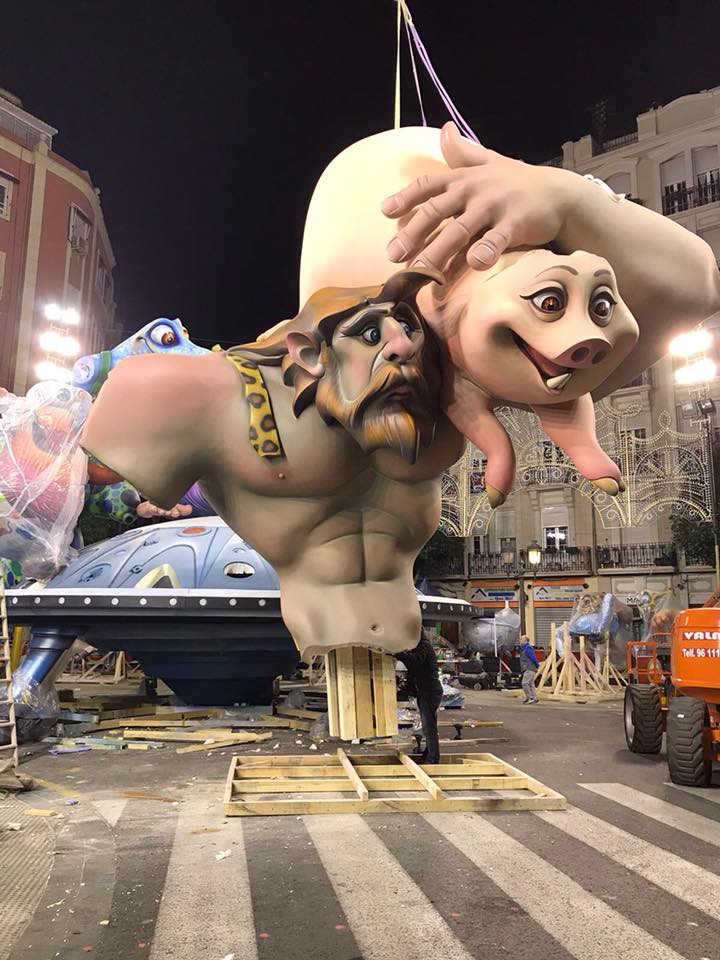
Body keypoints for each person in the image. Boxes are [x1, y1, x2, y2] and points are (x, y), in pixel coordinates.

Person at [82, 268, 464, 663]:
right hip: (316, 625)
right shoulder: (215, 393)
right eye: (370, 333)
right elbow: (99, 477)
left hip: (400, 625)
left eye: (406, 327)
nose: (402, 345)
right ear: (309, 355)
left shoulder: (436, 403)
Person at [394, 630, 443, 764]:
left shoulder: (423, 646)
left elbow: (415, 661)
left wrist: (397, 653)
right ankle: (428, 753)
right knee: (428, 726)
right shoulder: (419, 647)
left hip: (430, 691)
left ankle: (433, 758)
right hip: (426, 691)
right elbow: (414, 671)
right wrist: (405, 689)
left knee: (429, 727)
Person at [519, 635, 540, 704]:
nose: (520, 640)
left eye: (521, 639)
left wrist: (537, 665)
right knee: (531, 684)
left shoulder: (527, 648)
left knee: (525, 683)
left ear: (525, 640)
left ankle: (530, 698)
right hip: (529, 668)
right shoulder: (525, 648)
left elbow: (533, 657)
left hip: (529, 668)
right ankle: (534, 698)